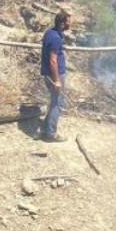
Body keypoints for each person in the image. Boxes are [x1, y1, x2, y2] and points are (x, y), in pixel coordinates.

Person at [40, 11, 71, 142]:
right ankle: (51, 133)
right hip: (55, 75)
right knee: (57, 103)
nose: (71, 24)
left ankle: (44, 129)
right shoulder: (56, 38)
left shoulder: (50, 33)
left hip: (49, 73)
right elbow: (53, 60)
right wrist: (57, 80)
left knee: (54, 101)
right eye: (69, 21)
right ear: (63, 23)